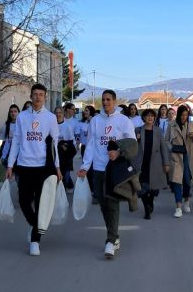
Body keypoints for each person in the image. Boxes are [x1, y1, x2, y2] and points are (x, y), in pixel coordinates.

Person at [78, 89, 137, 259]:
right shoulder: (95, 121)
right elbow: (90, 145)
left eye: (108, 99)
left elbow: (132, 143)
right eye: (103, 100)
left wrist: (118, 152)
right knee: (103, 204)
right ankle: (114, 236)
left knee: (112, 203)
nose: (105, 102)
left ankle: (110, 240)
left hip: (114, 169)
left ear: (115, 101)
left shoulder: (123, 120)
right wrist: (85, 167)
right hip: (98, 168)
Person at [6, 83, 60, 256]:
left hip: (43, 167)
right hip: (24, 165)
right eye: (35, 94)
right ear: (30, 96)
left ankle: (35, 241)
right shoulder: (22, 117)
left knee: (40, 203)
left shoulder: (50, 118)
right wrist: (10, 165)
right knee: (23, 201)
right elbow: (16, 141)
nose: (38, 97)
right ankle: (34, 224)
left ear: (45, 97)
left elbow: (54, 145)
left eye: (41, 94)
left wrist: (57, 167)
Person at [166, 104, 193, 217]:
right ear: (178, 115)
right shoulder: (171, 125)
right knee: (177, 182)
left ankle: (186, 200)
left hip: (189, 157)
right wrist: (172, 148)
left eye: (186, 115)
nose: (184, 117)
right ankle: (178, 207)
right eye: (182, 115)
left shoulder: (192, 124)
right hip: (176, 156)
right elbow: (166, 140)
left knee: (187, 181)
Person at [136, 108, 170, 218]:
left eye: (152, 116)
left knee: (154, 188)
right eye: (148, 116)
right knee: (142, 187)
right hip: (142, 163)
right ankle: (146, 209)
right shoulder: (138, 130)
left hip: (155, 163)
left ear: (154, 118)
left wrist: (166, 163)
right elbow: (133, 146)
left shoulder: (158, 130)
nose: (150, 117)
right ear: (143, 118)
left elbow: (163, 147)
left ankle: (150, 201)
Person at [55, 106, 76, 190]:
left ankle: (65, 188)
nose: (58, 114)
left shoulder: (68, 126)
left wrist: (66, 147)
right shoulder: (52, 125)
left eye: (60, 113)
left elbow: (72, 140)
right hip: (56, 153)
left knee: (65, 173)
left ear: (63, 113)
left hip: (65, 154)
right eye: (56, 113)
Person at [0, 104, 20, 170]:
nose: (13, 113)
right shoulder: (7, 125)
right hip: (6, 157)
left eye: (15, 111)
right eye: (11, 112)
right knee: (7, 176)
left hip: (18, 157)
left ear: (19, 113)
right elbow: (4, 142)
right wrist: (0, 156)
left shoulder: (22, 125)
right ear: (9, 113)